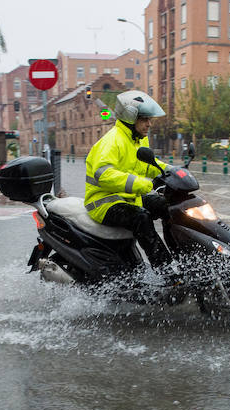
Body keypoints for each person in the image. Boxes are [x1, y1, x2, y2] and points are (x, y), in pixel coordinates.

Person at [84, 90, 174, 276]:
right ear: (130, 117)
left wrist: (172, 171)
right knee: (141, 218)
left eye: (149, 119)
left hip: (129, 198)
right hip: (104, 202)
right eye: (144, 119)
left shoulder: (138, 140)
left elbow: (148, 165)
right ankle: (166, 272)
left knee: (170, 207)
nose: (149, 124)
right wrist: (142, 184)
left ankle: (185, 256)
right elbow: (104, 174)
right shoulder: (112, 141)